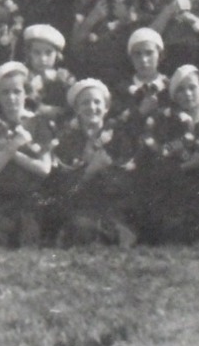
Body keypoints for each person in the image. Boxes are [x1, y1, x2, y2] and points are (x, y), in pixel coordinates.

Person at [131, 65, 199, 244]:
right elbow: (157, 163)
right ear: (174, 96)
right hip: (172, 190)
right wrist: (185, 166)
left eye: (192, 88)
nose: (188, 94)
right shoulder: (165, 124)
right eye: (181, 90)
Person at [0, 61, 55, 248]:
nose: (11, 98)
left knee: (28, 237)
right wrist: (12, 147)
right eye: (5, 93)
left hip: (30, 197)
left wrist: (12, 154)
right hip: (0, 198)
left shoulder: (38, 123)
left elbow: (44, 168)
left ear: (26, 93)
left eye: (17, 91)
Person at [50, 78, 138, 247]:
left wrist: (106, 171)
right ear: (76, 109)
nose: (92, 107)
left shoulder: (119, 138)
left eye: (97, 102)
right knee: (81, 226)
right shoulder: (67, 141)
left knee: (119, 229)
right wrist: (90, 170)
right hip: (81, 207)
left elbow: (126, 178)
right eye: (85, 103)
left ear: (106, 108)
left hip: (112, 205)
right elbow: (65, 188)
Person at [113, 27, 168, 127]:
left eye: (149, 53)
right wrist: (140, 112)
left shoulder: (170, 86)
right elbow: (116, 126)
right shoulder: (121, 90)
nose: (143, 59)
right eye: (137, 54)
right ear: (131, 58)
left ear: (160, 55)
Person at [21, 23, 74, 119]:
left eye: (48, 53)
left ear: (57, 55)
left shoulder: (63, 77)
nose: (43, 59)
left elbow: (74, 101)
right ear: (29, 53)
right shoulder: (22, 75)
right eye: (37, 52)